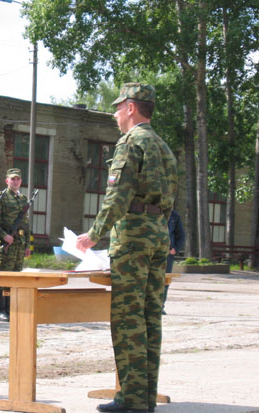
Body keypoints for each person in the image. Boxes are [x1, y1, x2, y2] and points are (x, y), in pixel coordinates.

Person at [75, 83, 178, 413]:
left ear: (131, 108)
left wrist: (94, 234)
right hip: (158, 235)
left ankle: (131, 400)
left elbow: (118, 196)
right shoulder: (163, 146)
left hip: (132, 238)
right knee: (150, 319)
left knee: (129, 319)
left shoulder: (131, 142)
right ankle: (145, 397)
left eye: (119, 108)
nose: (116, 115)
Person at [0, 168, 31, 322]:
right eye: (12, 179)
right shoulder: (1, 197)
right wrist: (3, 236)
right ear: (7, 181)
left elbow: (26, 224)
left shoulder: (22, 199)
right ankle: (0, 309)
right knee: (4, 276)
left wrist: (27, 244)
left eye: (18, 179)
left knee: (15, 277)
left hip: (19, 244)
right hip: (6, 244)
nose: (15, 182)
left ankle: (10, 308)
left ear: (20, 181)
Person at [163, 209, 185, 314]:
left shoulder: (174, 215)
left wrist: (175, 249)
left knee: (165, 280)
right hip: (152, 252)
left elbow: (181, 235)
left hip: (168, 254)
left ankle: (161, 306)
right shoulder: (152, 211)